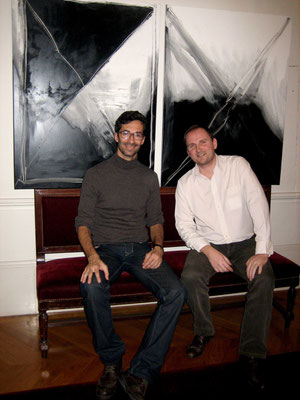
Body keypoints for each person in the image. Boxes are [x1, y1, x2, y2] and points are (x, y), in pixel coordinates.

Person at [75, 111, 186, 400]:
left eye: (137, 134)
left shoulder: (149, 178)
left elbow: (156, 220)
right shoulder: (96, 175)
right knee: (91, 285)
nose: (131, 139)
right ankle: (112, 359)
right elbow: (83, 222)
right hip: (106, 251)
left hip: (139, 249)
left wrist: (159, 248)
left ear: (143, 140)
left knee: (176, 292)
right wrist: (92, 257)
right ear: (116, 136)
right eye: (126, 133)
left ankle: (141, 370)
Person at [175, 126, 275, 391]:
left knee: (264, 279)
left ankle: (252, 353)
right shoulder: (185, 184)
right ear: (188, 152)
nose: (199, 148)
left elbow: (258, 205)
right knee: (190, 277)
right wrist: (208, 250)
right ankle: (204, 331)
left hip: (245, 244)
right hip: (208, 245)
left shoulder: (238, 166)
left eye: (203, 142)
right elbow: (184, 225)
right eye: (192, 146)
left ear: (214, 142)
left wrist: (262, 250)